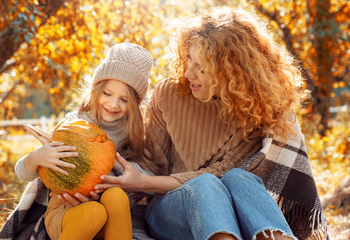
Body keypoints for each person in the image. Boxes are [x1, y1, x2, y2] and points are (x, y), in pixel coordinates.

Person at [95, 7, 328, 240]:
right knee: (207, 184)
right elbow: (151, 160)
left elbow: (221, 174)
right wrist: (141, 181)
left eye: (201, 68)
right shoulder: (168, 94)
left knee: (240, 178)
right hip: (168, 209)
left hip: (227, 209)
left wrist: (144, 181)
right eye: (189, 59)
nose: (188, 73)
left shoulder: (253, 114)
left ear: (231, 74)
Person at [0, 43, 154, 240]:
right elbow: (21, 172)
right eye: (107, 94)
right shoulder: (75, 123)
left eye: (125, 100)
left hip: (111, 219)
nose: (113, 104)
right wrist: (36, 158)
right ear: (96, 90)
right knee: (93, 212)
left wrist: (111, 159)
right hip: (67, 211)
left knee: (116, 196)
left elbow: (150, 181)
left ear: (136, 103)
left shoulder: (135, 133)